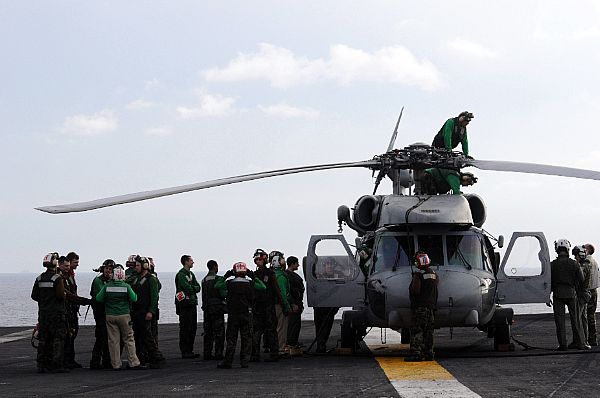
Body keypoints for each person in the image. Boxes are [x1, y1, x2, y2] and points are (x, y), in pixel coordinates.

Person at [216, 262, 265, 369]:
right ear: (245, 272)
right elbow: (263, 287)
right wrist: (254, 277)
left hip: (233, 315)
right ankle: (244, 361)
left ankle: (228, 361)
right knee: (246, 338)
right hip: (247, 314)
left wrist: (225, 276)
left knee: (231, 339)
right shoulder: (250, 283)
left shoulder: (229, 283)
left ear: (234, 272)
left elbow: (217, 286)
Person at [96, 267, 144, 370]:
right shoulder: (126, 286)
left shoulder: (107, 286)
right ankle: (133, 362)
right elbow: (134, 298)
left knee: (113, 340)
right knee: (129, 339)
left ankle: (116, 364)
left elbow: (98, 298)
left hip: (110, 315)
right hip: (124, 315)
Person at [31, 253, 68, 373]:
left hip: (43, 314)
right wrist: (64, 295)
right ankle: (56, 365)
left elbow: (34, 296)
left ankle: (42, 364)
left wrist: (45, 301)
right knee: (58, 339)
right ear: (55, 263)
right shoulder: (57, 278)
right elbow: (60, 295)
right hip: (56, 314)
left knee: (43, 339)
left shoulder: (39, 278)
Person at [550, 239, 587, 350]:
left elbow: (548, 282)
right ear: (567, 249)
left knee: (560, 321)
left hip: (557, 294)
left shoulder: (552, 265)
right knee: (576, 320)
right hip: (571, 293)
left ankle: (563, 345)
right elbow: (582, 279)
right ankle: (580, 343)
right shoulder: (574, 264)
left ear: (557, 249)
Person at [130, 256, 166, 368]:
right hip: (137, 313)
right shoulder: (136, 278)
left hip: (145, 312)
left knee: (148, 337)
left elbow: (154, 297)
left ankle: (156, 358)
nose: (135, 267)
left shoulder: (151, 279)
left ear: (145, 266)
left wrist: (151, 311)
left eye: (137, 265)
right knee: (138, 337)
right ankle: (141, 359)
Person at [405, 252, 439, 362]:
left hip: (419, 307)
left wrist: (414, 279)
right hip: (431, 308)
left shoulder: (418, 275)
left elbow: (416, 290)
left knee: (417, 330)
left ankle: (416, 353)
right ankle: (429, 353)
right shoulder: (434, 274)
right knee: (429, 331)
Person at [59, 254, 91, 369]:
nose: (77, 265)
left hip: (72, 309)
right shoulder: (62, 278)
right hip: (67, 309)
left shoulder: (69, 276)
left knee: (72, 335)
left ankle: (69, 360)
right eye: (75, 263)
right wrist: (84, 301)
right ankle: (65, 360)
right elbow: (68, 294)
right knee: (68, 336)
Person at [250, 249, 281, 362]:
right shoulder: (259, 274)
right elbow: (276, 290)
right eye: (257, 259)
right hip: (262, 306)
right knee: (264, 331)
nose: (258, 261)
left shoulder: (259, 274)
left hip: (264, 306)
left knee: (264, 331)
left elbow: (276, 289)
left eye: (259, 259)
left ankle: (263, 354)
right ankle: (269, 354)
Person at [89, 259, 114, 369]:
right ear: (103, 269)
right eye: (107, 268)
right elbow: (101, 297)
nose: (108, 271)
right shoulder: (98, 281)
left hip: (108, 312)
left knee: (108, 337)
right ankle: (95, 362)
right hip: (100, 312)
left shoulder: (110, 281)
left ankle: (106, 361)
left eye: (110, 269)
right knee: (101, 336)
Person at [175, 255, 201, 358]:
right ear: (186, 262)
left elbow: (198, 287)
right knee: (185, 327)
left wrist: (193, 288)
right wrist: (193, 288)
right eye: (191, 261)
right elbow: (188, 288)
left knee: (192, 327)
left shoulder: (191, 274)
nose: (193, 262)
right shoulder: (181, 275)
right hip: (184, 304)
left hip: (192, 303)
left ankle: (190, 350)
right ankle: (185, 350)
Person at [201, 259, 227, 360]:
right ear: (215, 267)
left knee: (208, 332)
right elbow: (223, 293)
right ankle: (218, 353)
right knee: (219, 332)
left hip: (207, 308)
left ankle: (207, 353)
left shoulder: (204, 280)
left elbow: (203, 296)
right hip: (217, 308)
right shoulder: (218, 279)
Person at [270, 251, 291, 356]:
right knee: (281, 327)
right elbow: (283, 293)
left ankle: (274, 348)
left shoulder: (272, 274)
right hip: (279, 305)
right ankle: (280, 349)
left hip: (272, 305)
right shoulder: (281, 276)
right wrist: (287, 306)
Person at [573, 246, 592, 348]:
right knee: (583, 319)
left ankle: (581, 342)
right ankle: (585, 341)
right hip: (584, 294)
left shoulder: (583, 266)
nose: (575, 258)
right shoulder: (586, 264)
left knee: (578, 319)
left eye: (576, 256)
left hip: (581, 295)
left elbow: (581, 279)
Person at [285, 256, 305, 350]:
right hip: (294, 302)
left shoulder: (290, 275)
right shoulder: (289, 276)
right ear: (292, 264)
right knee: (293, 324)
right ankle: (291, 343)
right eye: (297, 263)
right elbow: (290, 291)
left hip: (297, 302)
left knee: (296, 324)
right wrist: (293, 303)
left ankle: (293, 342)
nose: (298, 265)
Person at [584, 243, 599, 346]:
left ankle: (588, 339)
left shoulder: (587, 261)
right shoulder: (595, 261)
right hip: (594, 291)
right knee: (591, 316)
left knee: (587, 316)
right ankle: (593, 338)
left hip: (589, 291)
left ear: (587, 250)